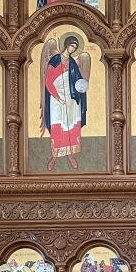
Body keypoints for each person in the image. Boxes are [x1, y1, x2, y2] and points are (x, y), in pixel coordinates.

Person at [40, 34, 89, 172]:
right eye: (71, 45)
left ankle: (70, 155)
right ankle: (54, 157)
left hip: (71, 98)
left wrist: (81, 87)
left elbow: (77, 81)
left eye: (75, 47)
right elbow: (48, 81)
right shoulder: (55, 59)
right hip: (57, 97)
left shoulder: (73, 62)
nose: (73, 49)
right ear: (66, 45)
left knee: (71, 125)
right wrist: (57, 97)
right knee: (58, 125)